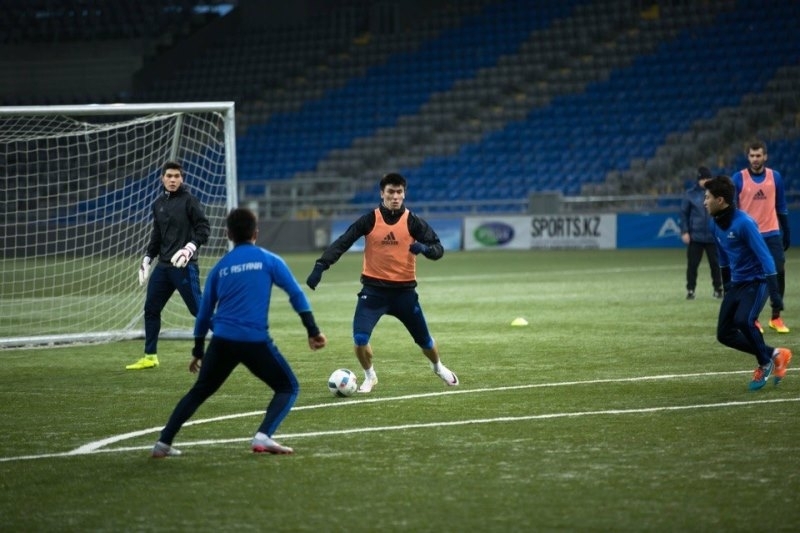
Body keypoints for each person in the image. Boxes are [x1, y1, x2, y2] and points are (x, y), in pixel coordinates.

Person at [152, 207, 327, 458]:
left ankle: (163, 443)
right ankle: (263, 435)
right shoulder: (269, 260)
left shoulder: (220, 268)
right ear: (256, 233)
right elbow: (296, 294)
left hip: (222, 341)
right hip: (254, 341)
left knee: (199, 391)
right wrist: (312, 330)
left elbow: (204, 314)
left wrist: (198, 350)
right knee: (287, 387)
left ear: (229, 234)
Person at [305, 172, 458, 393]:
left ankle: (438, 367)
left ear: (404, 194)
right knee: (359, 339)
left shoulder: (413, 222)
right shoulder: (369, 220)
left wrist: (425, 249)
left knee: (425, 342)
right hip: (373, 292)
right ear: (382, 193)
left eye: (399, 192)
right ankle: (370, 376)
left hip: (404, 294)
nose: (395, 196)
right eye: (391, 192)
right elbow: (343, 242)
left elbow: (438, 249)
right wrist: (321, 265)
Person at [703, 175, 792, 391]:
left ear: (720, 200)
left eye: (707, 197)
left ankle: (765, 363)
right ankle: (776, 354)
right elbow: (723, 258)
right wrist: (727, 286)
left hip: (758, 281)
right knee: (724, 333)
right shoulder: (714, 224)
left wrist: (775, 295)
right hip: (738, 283)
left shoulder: (744, 223)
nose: (704, 202)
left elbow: (766, 258)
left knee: (744, 320)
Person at [128, 161, 210, 370]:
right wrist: (148, 258)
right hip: (163, 267)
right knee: (151, 309)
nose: (173, 180)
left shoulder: (189, 201)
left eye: (176, 176)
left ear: (182, 179)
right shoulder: (158, 204)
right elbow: (157, 235)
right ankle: (150, 356)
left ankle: (234, 342)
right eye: (169, 176)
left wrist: (189, 248)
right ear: (162, 178)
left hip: (184, 266)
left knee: (199, 310)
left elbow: (204, 229)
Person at [731, 140, 791, 333]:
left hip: (772, 234)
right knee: (751, 278)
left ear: (765, 156)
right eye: (752, 156)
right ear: (747, 157)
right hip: (749, 236)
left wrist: (786, 231)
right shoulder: (738, 178)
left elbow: (781, 206)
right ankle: (753, 318)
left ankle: (776, 317)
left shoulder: (775, 177)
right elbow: (733, 210)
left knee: (778, 272)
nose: (755, 159)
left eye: (758, 155)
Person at [680, 166, 723, 300]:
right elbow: (684, 214)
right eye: (703, 178)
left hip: (713, 236)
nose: (705, 181)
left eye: (708, 178)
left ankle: (718, 289)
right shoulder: (690, 194)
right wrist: (685, 231)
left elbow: (723, 212)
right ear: (698, 180)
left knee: (716, 265)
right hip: (695, 236)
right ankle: (691, 290)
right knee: (692, 265)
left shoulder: (718, 193)